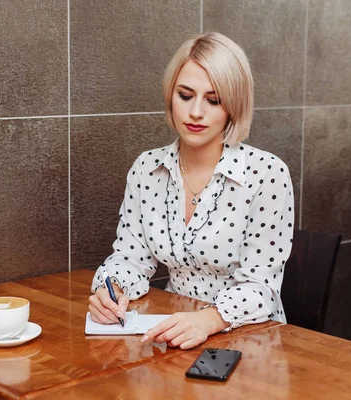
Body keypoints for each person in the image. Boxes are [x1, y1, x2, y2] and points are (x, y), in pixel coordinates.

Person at [89, 32, 295, 350]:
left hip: (249, 339)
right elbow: (130, 260)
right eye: (185, 96)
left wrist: (210, 320)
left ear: (233, 106)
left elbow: (260, 287)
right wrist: (111, 288)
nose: (196, 112)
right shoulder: (147, 168)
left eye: (213, 100)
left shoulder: (267, 174)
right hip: (173, 331)